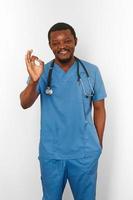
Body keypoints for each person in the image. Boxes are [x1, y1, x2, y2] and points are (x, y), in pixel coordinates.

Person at [20, 22, 107, 200]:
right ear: (50, 46)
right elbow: (24, 103)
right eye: (56, 43)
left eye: (67, 41)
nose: (62, 46)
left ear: (75, 41)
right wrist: (34, 81)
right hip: (52, 155)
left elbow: (99, 108)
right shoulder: (42, 73)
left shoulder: (91, 71)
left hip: (84, 154)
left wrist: (97, 144)